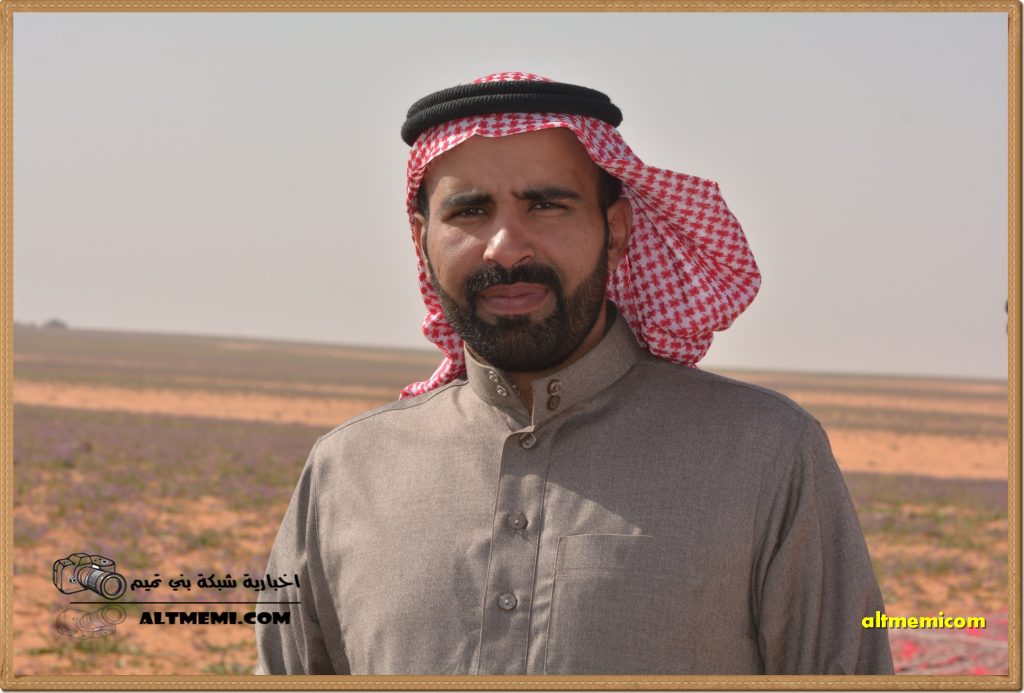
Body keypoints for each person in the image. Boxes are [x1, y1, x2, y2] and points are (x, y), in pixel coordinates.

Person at [255, 72, 893, 676]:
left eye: (547, 205)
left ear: (615, 231)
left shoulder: (764, 454)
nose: (506, 247)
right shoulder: (345, 471)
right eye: (470, 211)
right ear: (422, 237)